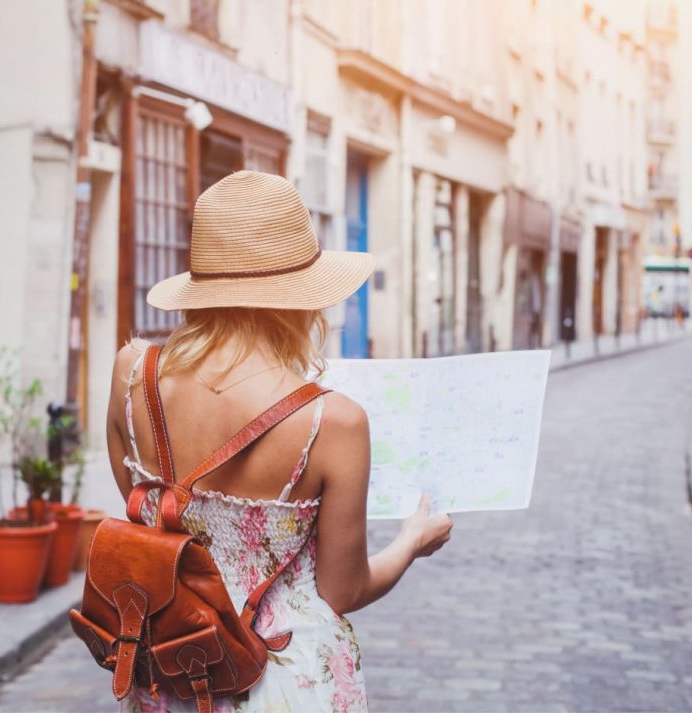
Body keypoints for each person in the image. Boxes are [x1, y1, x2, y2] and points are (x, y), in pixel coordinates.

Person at [106, 171, 453, 712]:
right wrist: (411, 541)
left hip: (172, 670)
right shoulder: (332, 421)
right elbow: (343, 592)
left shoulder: (133, 375)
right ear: (302, 299)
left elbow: (150, 515)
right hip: (287, 681)